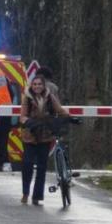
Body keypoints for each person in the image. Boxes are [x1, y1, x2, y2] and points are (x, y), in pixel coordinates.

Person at [20, 75, 68, 205]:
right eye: (34, 84)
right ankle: (25, 192)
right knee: (27, 164)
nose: (37, 87)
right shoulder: (27, 99)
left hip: (45, 136)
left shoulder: (50, 97)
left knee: (42, 167)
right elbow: (22, 116)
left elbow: (60, 110)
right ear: (31, 86)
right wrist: (28, 122)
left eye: (39, 84)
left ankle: (37, 196)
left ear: (43, 86)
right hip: (30, 136)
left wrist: (69, 117)